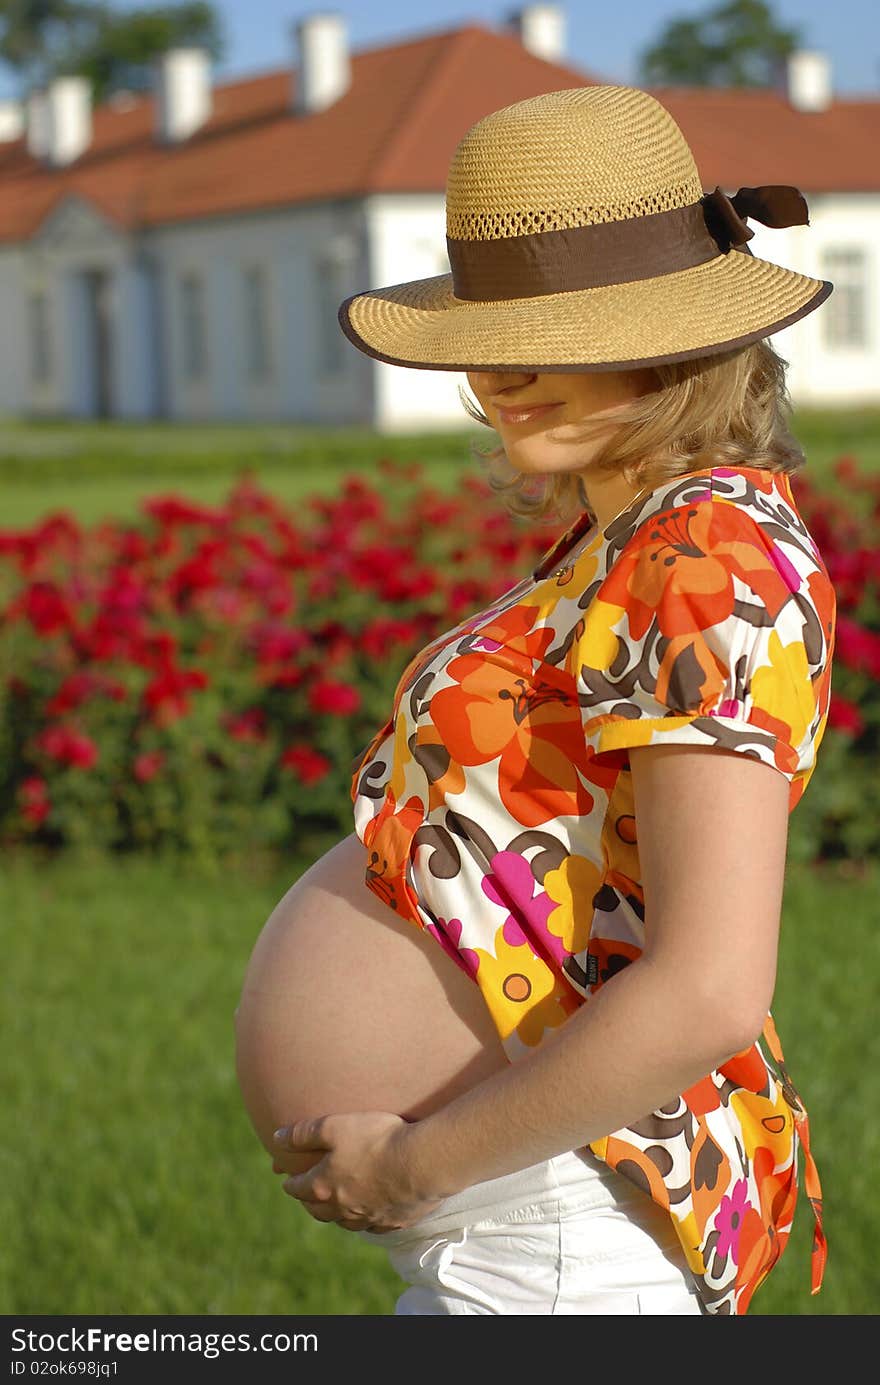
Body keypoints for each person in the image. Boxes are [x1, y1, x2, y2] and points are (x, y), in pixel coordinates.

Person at [241, 85, 836, 1317]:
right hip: (531, 1233)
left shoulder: (706, 556)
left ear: (678, 338)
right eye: (487, 323)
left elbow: (710, 984)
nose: (498, 369)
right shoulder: (631, 543)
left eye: (557, 331)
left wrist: (414, 1162)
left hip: (564, 1240)